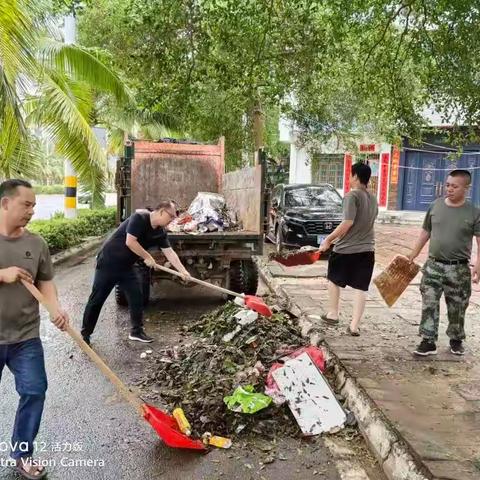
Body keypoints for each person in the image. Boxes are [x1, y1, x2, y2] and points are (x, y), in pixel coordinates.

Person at [0, 179, 69, 479]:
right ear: (4, 203)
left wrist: (55, 309)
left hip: (25, 336)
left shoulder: (36, 244)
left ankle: (23, 453)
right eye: (25, 204)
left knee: (34, 390)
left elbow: (46, 282)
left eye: (34, 205)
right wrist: (3, 274)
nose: (32, 211)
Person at [81, 200, 191, 344]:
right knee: (97, 299)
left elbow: (170, 253)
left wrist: (183, 271)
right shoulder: (139, 218)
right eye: (171, 217)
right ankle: (85, 334)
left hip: (126, 266)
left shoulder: (159, 232)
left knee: (136, 296)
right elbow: (130, 241)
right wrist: (148, 257)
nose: (171, 220)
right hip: (109, 262)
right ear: (162, 212)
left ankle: (136, 332)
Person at [408, 169, 480, 356]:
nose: (449, 189)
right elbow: (425, 233)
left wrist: (478, 265)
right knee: (429, 302)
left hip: (459, 268)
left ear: (466, 188)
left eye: (454, 186)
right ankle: (428, 340)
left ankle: (456, 339)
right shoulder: (435, 206)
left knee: (457, 306)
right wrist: (413, 254)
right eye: (448, 185)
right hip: (433, 265)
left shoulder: (474, 212)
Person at [319, 162, 378, 335]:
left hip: (346, 249)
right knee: (361, 287)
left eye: (351, 175)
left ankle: (333, 313)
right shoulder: (373, 199)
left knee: (333, 279)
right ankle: (354, 325)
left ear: (355, 176)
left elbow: (347, 222)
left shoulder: (351, 196)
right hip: (368, 249)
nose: (350, 179)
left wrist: (328, 240)